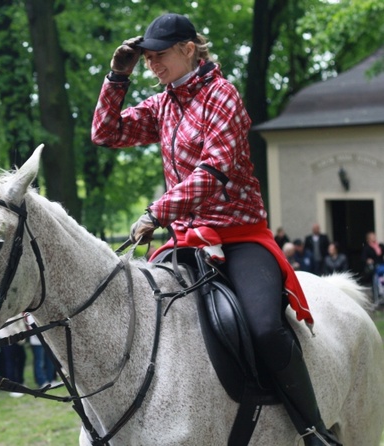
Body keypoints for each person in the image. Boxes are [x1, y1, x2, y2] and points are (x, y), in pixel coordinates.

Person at [91, 13, 340, 446]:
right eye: (146, 57)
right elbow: (105, 132)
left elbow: (213, 173)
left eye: (159, 55)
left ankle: (312, 428)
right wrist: (117, 75)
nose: (151, 64)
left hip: (239, 236)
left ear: (189, 48)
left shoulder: (222, 96)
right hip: (185, 239)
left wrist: (156, 212)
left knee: (265, 328)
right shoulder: (165, 103)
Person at [362, 231, 384, 305]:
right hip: (374, 269)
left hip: (381, 267)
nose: (374, 237)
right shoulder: (367, 248)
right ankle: (377, 299)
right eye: (372, 236)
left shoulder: (380, 246)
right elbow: (364, 258)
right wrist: (368, 260)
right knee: (376, 283)